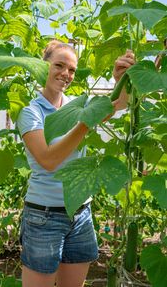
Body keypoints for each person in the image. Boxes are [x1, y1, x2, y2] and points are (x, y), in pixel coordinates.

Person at [17, 40, 135, 287]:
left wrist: (121, 78)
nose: (66, 74)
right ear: (44, 66)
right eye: (59, 65)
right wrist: (86, 121)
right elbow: (48, 160)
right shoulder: (31, 112)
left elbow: (119, 104)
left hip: (80, 214)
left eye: (71, 69)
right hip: (44, 217)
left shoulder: (78, 105)